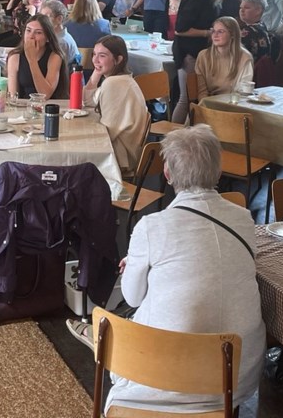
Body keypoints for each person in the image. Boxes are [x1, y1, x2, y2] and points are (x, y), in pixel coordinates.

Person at [68, 125, 266, 415]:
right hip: (236, 377)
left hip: (169, 379)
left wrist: (136, 270)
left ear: (168, 175)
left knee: (135, 316)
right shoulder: (244, 219)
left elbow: (133, 297)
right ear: (219, 172)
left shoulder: (152, 226)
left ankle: (94, 335)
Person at [170, 0, 232, 123]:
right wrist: (208, 33)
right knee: (186, 98)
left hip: (200, 52)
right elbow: (180, 29)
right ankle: (173, 139)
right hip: (188, 52)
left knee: (195, 98)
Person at [82, 36, 150, 174]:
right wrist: (97, 71)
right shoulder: (120, 79)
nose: (95, 59)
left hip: (120, 155)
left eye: (102, 56)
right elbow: (87, 101)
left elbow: (107, 133)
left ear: (118, 60)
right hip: (127, 147)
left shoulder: (113, 84)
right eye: (94, 54)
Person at [7, 14, 68, 99]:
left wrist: (32, 60)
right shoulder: (14, 57)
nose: (31, 36)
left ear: (47, 38)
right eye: (28, 31)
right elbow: (13, 96)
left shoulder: (55, 56)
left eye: (38, 32)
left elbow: (45, 95)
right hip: (24, 105)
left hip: (49, 106)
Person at [194, 17, 253, 100]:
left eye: (220, 32)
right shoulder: (203, 56)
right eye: (213, 31)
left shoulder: (245, 57)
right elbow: (202, 92)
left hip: (235, 104)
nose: (215, 35)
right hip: (209, 104)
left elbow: (243, 92)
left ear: (232, 35)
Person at [237, 0, 277, 87]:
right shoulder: (262, 26)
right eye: (241, 8)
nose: (242, 11)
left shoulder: (246, 33)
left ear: (258, 10)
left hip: (248, 76)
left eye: (246, 8)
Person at [40, 0, 80, 64]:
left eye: (46, 17)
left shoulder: (61, 42)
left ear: (59, 19)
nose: (42, 21)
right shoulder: (54, 36)